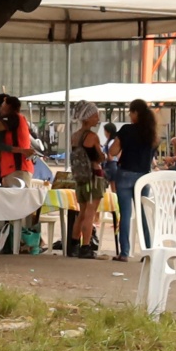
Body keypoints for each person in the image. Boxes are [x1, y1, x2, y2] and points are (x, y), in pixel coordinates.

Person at [107, 97, 157, 261]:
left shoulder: (127, 130)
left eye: (130, 112)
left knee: (126, 215)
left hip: (126, 173)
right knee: (143, 215)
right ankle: (148, 251)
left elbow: (113, 151)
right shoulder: (152, 133)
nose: (129, 115)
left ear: (136, 112)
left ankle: (125, 252)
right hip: (144, 175)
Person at [67, 101, 106, 257]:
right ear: (87, 118)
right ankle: (86, 247)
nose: (98, 119)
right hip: (93, 177)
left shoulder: (75, 136)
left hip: (80, 178)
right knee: (90, 213)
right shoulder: (92, 136)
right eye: (95, 115)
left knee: (82, 212)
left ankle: (74, 244)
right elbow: (100, 157)